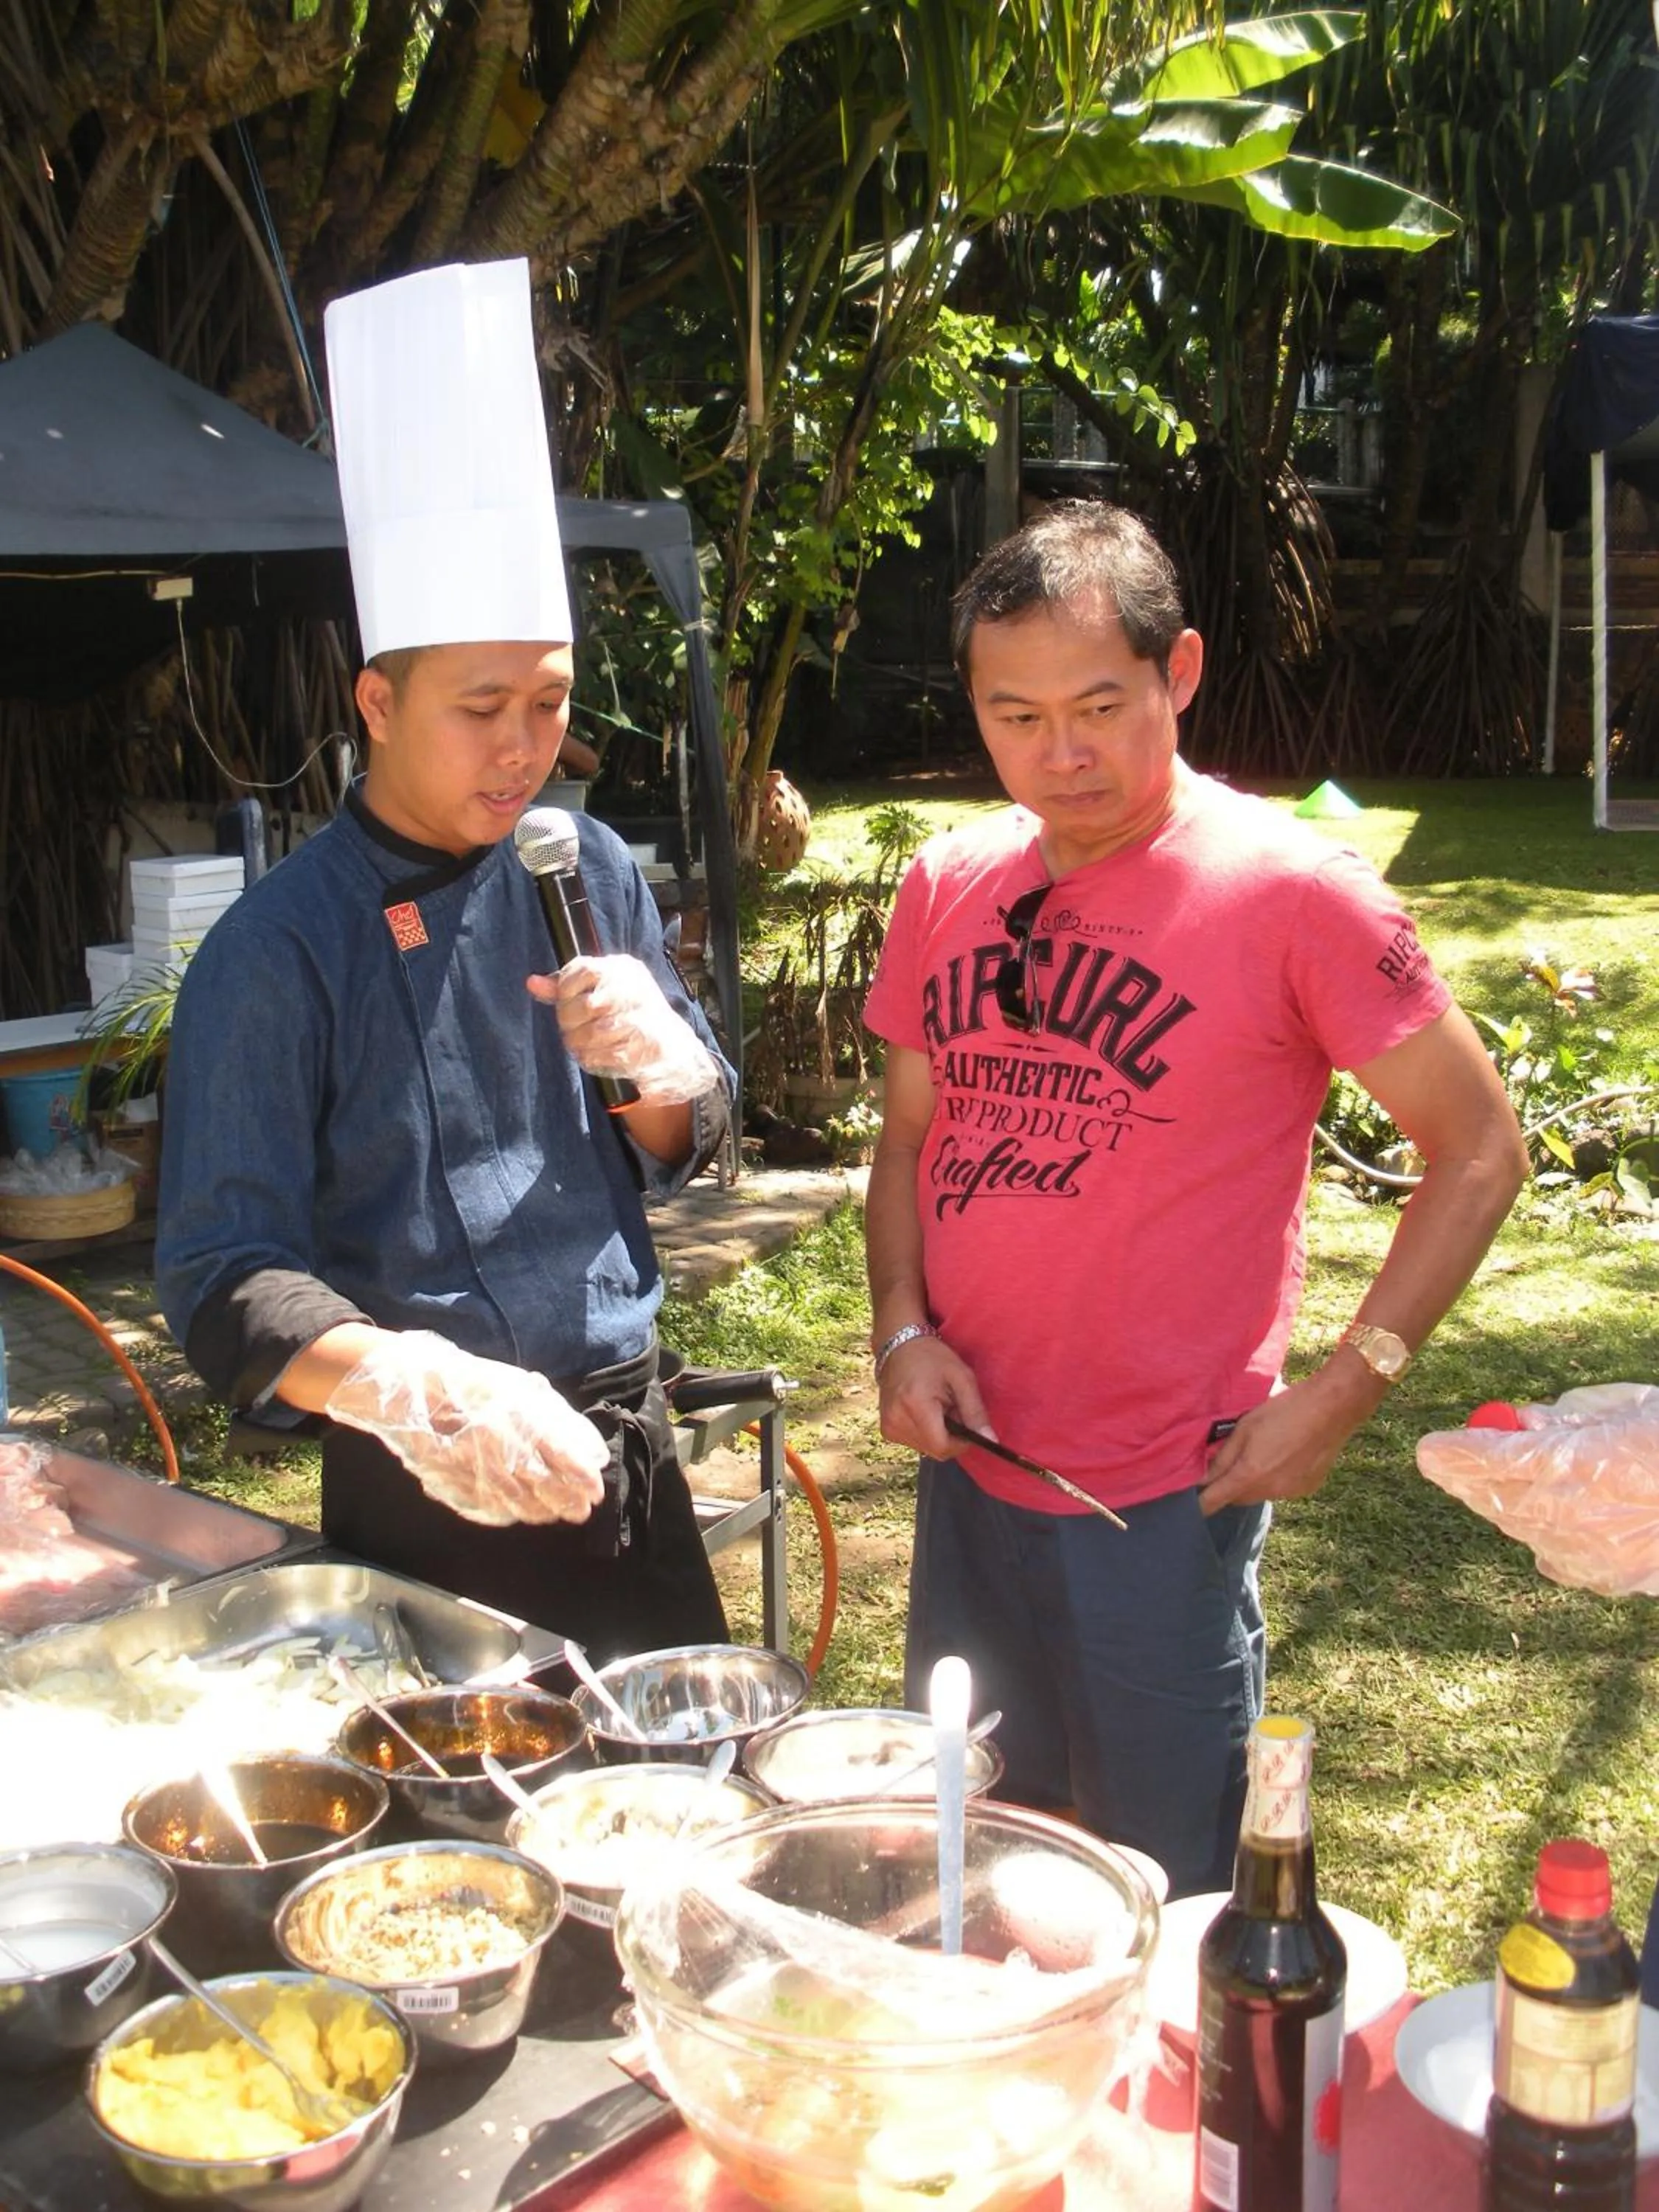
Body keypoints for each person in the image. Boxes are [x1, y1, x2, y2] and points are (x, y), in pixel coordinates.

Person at [863, 500, 1529, 1896]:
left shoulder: (1296, 892)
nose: (1062, 753)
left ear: (1181, 674)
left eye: (1099, 704)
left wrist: (1343, 1392)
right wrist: (897, 1331)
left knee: (1168, 1890)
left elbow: (1477, 1150)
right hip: (970, 1456)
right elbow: (909, 1140)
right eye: (1015, 714)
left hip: (1169, 1485)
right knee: (975, 1858)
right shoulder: (948, 882)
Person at [156, 260, 733, 1662]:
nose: (522, 747)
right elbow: (226, 1275)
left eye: (548, 703)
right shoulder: (280, 947)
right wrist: (417, 1392)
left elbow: (680, 1141)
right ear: (376, 701)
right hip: (426, 1482)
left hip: (620, 1452)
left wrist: (664, 1064)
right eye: (480, 708)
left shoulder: (583, 872)